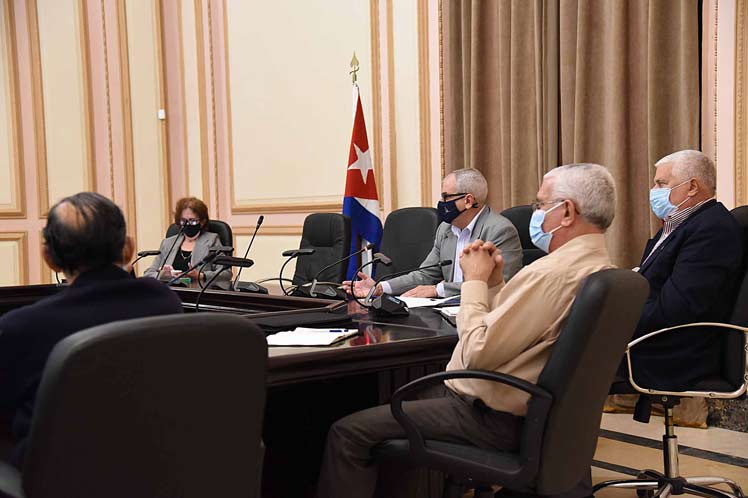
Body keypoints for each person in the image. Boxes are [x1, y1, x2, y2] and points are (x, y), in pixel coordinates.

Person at [318, 163, 617, 498]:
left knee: (348, 432)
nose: (536, 213)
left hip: (492, 416)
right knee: (396, 403)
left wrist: (473, 282)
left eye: (540, 205)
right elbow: (522, 328)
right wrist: (493, 284)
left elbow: (478, 350)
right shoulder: (599, 267)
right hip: (540, 417)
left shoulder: (550, 273)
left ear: (566, 212)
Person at [0, 192, 183, 467]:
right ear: (128, 248)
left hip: (56, 479)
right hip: (152, 469)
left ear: (48, 257)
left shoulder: (20, 328)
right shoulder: (166, 302)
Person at [628, 150, 744, 390]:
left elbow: (674, 310)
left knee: (563, 354)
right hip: (649, 340)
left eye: (661, 183)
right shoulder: (678, 225)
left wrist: (616, 321)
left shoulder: (711, 230)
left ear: (692, 187)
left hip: (672, 354)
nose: (653, 191)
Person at [347, 168, 522, 298]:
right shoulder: (445, 229)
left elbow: (500, 285)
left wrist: (438, 290)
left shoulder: (499, 230)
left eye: (446, 197)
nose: (441, 202)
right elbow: (425, 274)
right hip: (445, 314)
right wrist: (380, 287)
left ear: (468, 200)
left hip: (484, 314)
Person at [144, 197, 231, 288]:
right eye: (184, 221)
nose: (188, 224)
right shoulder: (168, 243)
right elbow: (148, 273)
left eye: (193, 221)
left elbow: (226, 274)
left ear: (202, 221)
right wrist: (162, 275)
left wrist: (201, 275)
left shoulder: (212, 240)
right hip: (169, 293)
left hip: (197, 296)